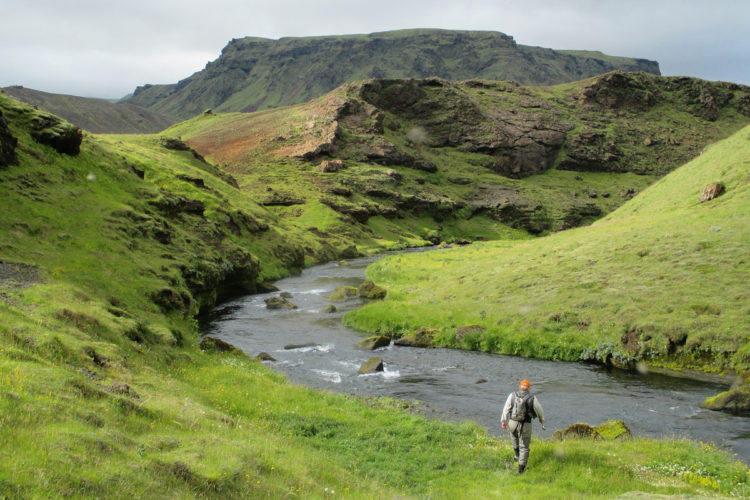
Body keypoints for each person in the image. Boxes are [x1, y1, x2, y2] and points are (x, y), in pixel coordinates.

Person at [501, 379, 545, 474]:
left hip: (512, 423)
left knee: (514, 439)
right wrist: (541, 419)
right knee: (524, 447)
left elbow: (506, 409)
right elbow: (539, 410)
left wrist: (504, 421)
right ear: (528, 388)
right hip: (525, 425)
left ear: (520, 386)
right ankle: (521, 470)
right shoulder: (532, 398)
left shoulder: (512, 395)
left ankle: (517, 455)